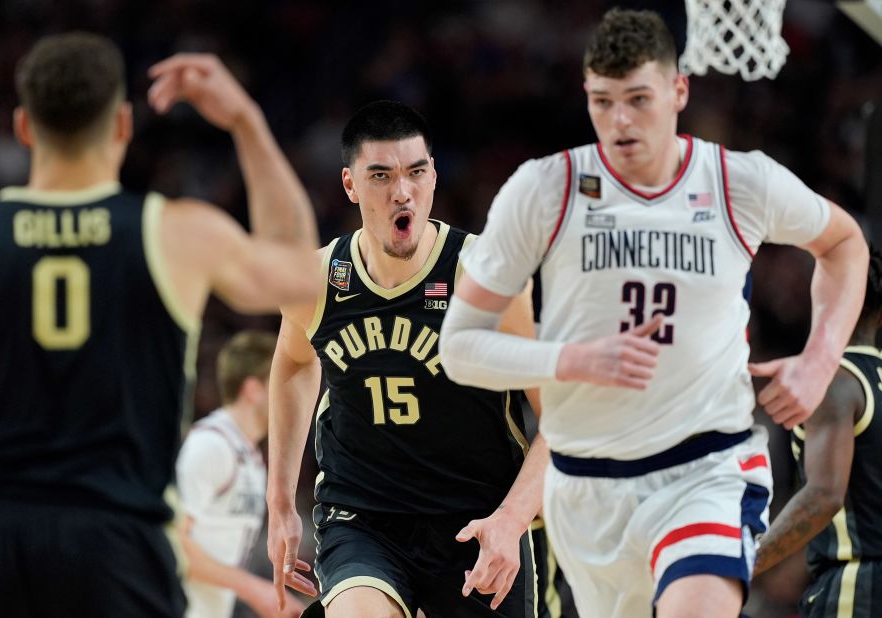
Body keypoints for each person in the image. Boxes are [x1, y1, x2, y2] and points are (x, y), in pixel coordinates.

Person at [439, 8, 868, 618]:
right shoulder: (543, 191)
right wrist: (574, 359)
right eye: (603, 101)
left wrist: (820, 361)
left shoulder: (737, 181)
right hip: (585, 488)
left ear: (678, 90)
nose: (619, 121)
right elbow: (459, 348)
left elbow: (845, 243)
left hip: (706, 469)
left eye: (638, 98)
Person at [0, 33, 320, 617]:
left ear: (24, 127)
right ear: (123, 124)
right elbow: (302, 276)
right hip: (118, 537)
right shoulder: (175, 232)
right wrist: (246, 122)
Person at [266, 100, 549, 618]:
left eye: (416, 172)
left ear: (434, 176)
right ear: (350, 186)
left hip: (477, 520)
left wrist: (511, 520)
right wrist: (281, 502)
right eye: (381, 175)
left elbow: (563, 417)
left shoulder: (485, 277)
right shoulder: (317, 279)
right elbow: (293, 362)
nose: (403, 191)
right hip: (363, 516)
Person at [754, 248, 882, 616]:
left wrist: (746, 562)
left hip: (858, 584)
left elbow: (824, 495)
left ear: (824, 296)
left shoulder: (835, 382)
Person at [177, 331, 305, 618]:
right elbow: (173, 542)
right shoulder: (210, 445)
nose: (292, 395)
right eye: (281, 383)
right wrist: (254, 588)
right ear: (253, 389)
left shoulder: (250, 456)